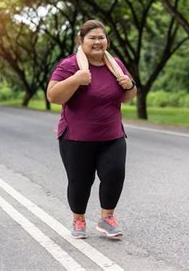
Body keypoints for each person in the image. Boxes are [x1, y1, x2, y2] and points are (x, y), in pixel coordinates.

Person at [46, 20, 137, 239]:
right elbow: (53, 96)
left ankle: (107, 219)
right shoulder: (69, 65)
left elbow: (128, 95)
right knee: (80, 181)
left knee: (114, 174)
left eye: (101, 37)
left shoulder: (115, 64)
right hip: (77, 138)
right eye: (92, 38)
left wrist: (130, 85)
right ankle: (78, 219)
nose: (98, 42)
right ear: (81, 40)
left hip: (112, 134)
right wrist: (76, 79)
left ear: (107, 40)